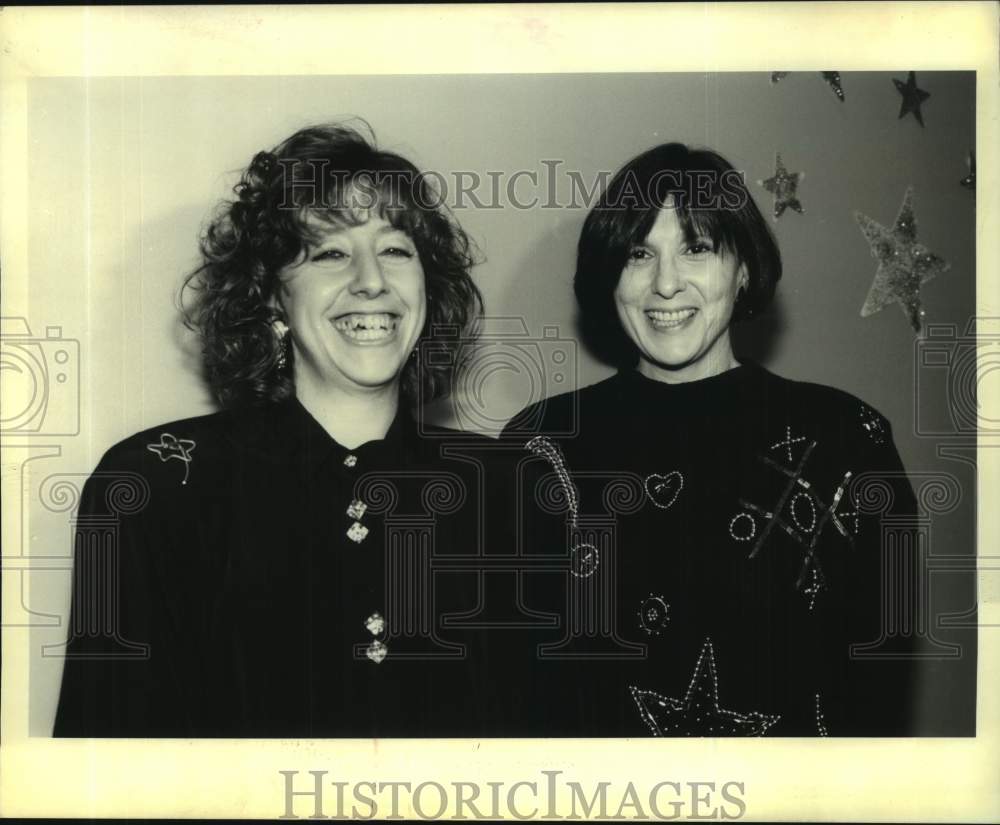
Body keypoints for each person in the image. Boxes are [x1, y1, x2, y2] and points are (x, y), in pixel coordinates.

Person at [53, 122, 493, 737]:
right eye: (331, 252)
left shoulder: (507, 486)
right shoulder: (154, 485)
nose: (372, 280)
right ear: (271, 298)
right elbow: (103, 756)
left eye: (396, 249)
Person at [499, 142, 920, 737]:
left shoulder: (847, 440)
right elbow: (516, 694)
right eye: (639, 254)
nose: (665, 284)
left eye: (696, 248)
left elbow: (880, 691)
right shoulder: (540, 447)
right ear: (609, 274)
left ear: (744, 267)